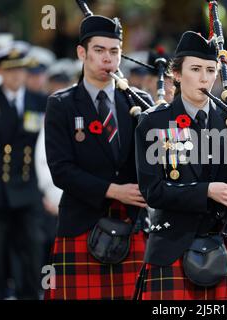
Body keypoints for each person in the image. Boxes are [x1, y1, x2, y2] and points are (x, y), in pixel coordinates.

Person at [135, 31, 227, 300]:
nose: (204, 77)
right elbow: (152, 191)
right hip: (172, 244)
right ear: (176, 74)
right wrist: (206, 191)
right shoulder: (153, 123)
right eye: (196, 69)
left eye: (211, 70)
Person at [44, 14, 153, 300]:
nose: (108, 59)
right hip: (81, 222)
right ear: (82, 53)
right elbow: (61, 170)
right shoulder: (61, 104)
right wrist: (114, 191)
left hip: (133, 225)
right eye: (99, 50)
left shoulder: (141, 102)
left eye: (114, 51)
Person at [0, 42, 46, 299]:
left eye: (21, 70)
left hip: (27, 187)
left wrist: (50, 188)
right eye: (10, 70)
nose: (17, 75)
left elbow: (46, 149)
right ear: (0, 72)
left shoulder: (40, 102)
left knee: (32, 249)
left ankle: (29, 294)